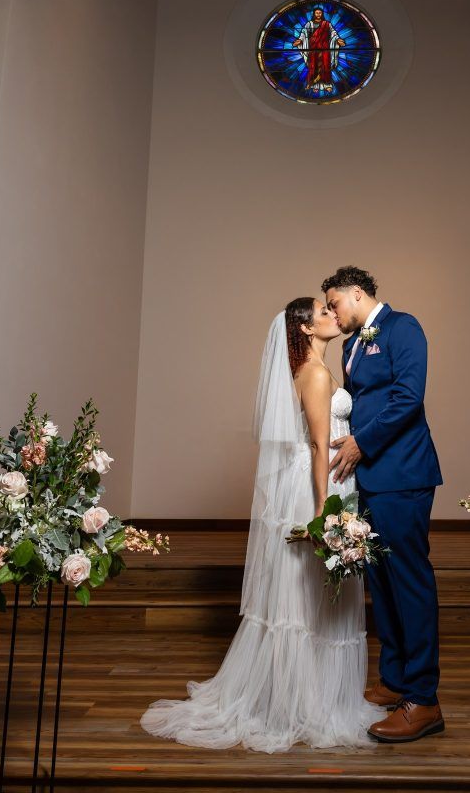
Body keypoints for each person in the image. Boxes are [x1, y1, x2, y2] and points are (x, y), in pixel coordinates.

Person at [139, 297, 385, 753]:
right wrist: (322, 510)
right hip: (318, 487)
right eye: (323, 311)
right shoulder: (312, 373)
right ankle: (302, 705)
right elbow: (316, 446)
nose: (332, 314)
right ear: (307, 329)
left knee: (319, 598)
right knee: (305, 597)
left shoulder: (321, 368)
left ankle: (320, 697)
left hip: (331, 482)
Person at [323, 266, 445, 744]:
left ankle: (424, 699)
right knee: (382, 580)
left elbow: (407, 398)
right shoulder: (353, 345)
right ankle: (395, 679)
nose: (333, 313)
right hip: (369, 480)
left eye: (335, 303)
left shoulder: (404, 327)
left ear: (357, 293)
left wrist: (360, 444)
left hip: (403, 474)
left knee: (410, 581)